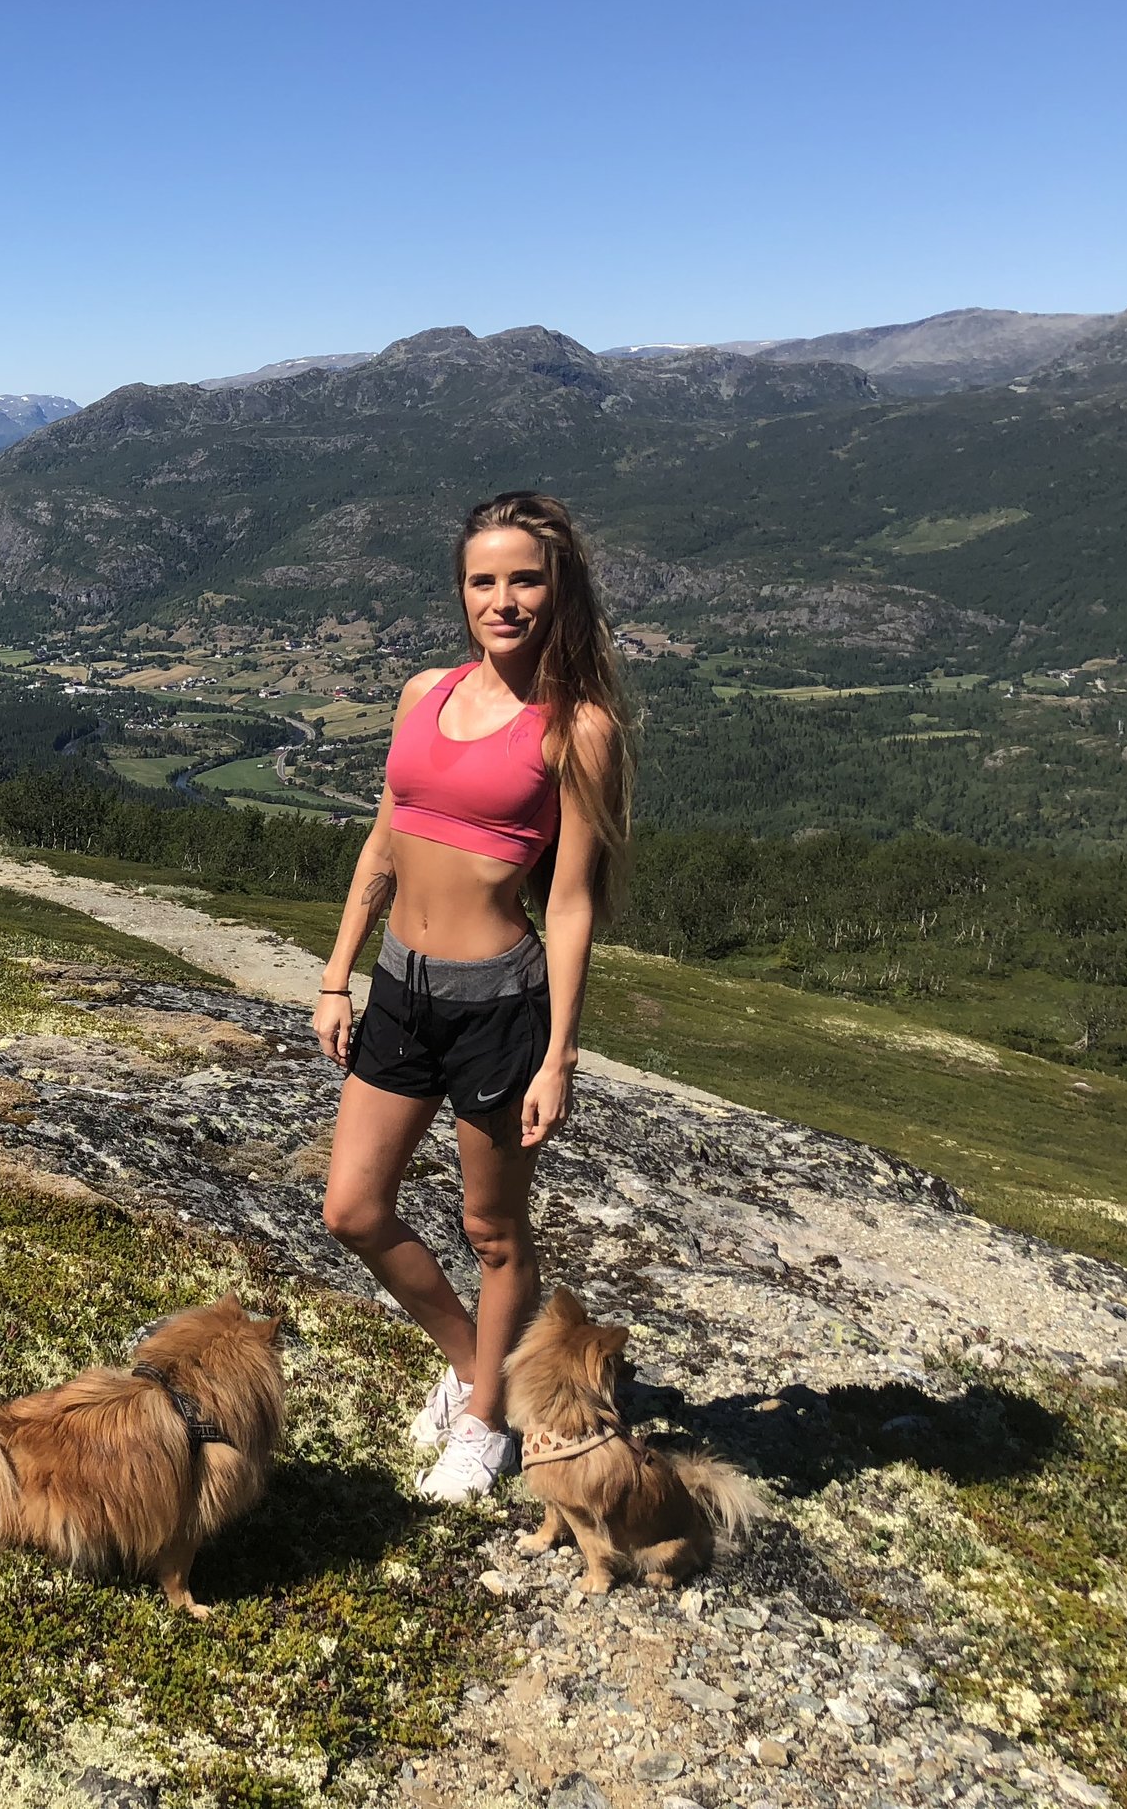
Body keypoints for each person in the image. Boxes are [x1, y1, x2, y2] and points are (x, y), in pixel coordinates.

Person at [310, 491, 633, 1502]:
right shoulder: (422, 694)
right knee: (351, 1210)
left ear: (558, 587)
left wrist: (559, 1055)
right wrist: (336, 972)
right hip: (399, 992)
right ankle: (472, 1364)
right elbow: (383, 842)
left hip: (498, 1007)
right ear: (461, 591)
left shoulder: (578, 729)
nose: (503, 600)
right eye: (482, 581)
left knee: (494, 1234)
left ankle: (487, 1423)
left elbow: (572, 904)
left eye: (524, 578)